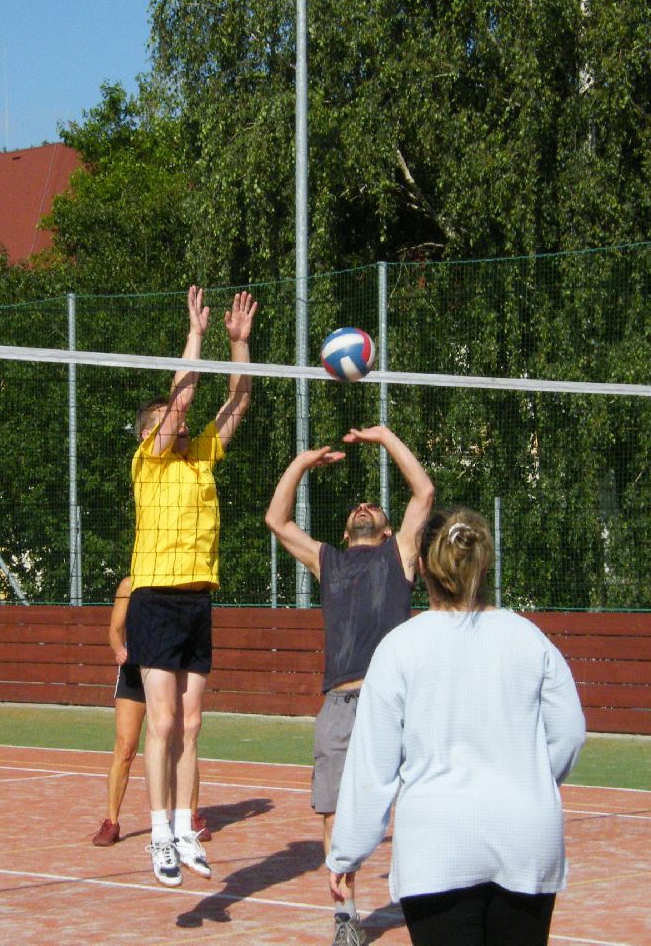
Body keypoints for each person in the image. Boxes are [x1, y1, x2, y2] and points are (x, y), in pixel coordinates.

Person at [326, 507, 586, 946]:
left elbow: (372, 768)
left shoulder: (399, 648)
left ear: (422, 566)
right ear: (484, 566)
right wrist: (533, 780)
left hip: (437, 848)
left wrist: (347, 852)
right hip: (527, 838)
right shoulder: (530, 639)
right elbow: (570, 732)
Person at [265, 425, 435, 946]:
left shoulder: (399, 554)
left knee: (420, 805)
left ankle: (428, 897)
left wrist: (385, 438)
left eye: (374, 507)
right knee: (335, 813)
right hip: (339, 702)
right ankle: (346, 916)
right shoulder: (329, 561)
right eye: (357, 508)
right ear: (345, 532)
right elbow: (276, 520)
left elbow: (424, 492)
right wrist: (301, 463)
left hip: (393, 703)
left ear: (387, 530)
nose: (364, 507)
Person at [127, 285, 256, 886]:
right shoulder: (149, 463)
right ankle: (158, 835)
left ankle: (183, 828)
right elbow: (181, 402)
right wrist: (196, 335)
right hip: (154, 598)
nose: (175, 421)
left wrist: (239, 345)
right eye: (163, 420)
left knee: (192, 723)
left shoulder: (200, 455)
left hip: (197, 599)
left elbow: (239, 400)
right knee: (161, 723)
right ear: (147, 434)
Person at [92, 576, 210, 846]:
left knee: (181, 739)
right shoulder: (129, 585)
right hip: (135, 672)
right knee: (125, 747)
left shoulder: (179, 582)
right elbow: (115, 630)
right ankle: (111, 821)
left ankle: (191, 815)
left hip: (166, 666)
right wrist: (119, 649)